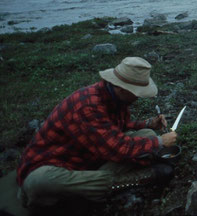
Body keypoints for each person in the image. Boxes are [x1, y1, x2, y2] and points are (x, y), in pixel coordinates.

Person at [16, 57, 178, 209]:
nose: (138, 97)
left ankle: (93, 185)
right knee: (40, 183)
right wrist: (160, 142)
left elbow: (116, 127)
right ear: (121, 88)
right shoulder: (88, 106)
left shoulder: (113, 97)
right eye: (137, 92)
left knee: (147, 133)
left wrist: (149, 123)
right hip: (54, 166)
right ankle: (127, 181)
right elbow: (117, 148)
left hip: (90, 158)